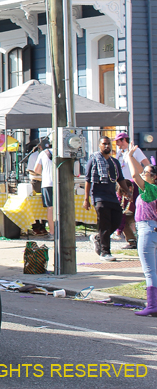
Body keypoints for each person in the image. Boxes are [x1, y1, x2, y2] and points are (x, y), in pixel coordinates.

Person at [83, 136, 132, 262]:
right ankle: (105, 252)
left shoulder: (114, 162)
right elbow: (87, 180)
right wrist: (86, 199)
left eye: (109, 144)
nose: (107, 146)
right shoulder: (93, 160)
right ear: (99, 145)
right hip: (99, 196)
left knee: (117, 220)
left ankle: (98, 238)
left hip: (112, 196)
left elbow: (120, 179)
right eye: (104, 144)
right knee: (104, 224)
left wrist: (127, 192)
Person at [123, 145, 157, 316]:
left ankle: (152, 305)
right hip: (153, 230)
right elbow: (140, 172)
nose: (144, 173)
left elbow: (135, 175)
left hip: (148, 230)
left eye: (147, 173)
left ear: (154, 177)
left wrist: (129, 156)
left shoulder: (150, 189)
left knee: (150, 270)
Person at [115, 131, 147, 250]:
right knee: (122, 211)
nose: (117, 143)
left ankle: (137, 237)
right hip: (121, 185)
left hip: (134, 184)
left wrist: (132, 157)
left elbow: (146, 165)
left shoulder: (135, 151)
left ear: (124, 140)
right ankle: (131, 239)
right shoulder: (119, 153)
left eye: (118, 141)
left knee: (133, 211)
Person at [33, 139, 55, 237]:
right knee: (60, 208)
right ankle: (62, 230)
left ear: (40, 147)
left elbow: (36, 170)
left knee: (50, 208)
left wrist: (45, 173)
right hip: (59, 183)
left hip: (47, 183)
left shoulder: (42, 154)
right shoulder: (58, 151)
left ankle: (52, 232)